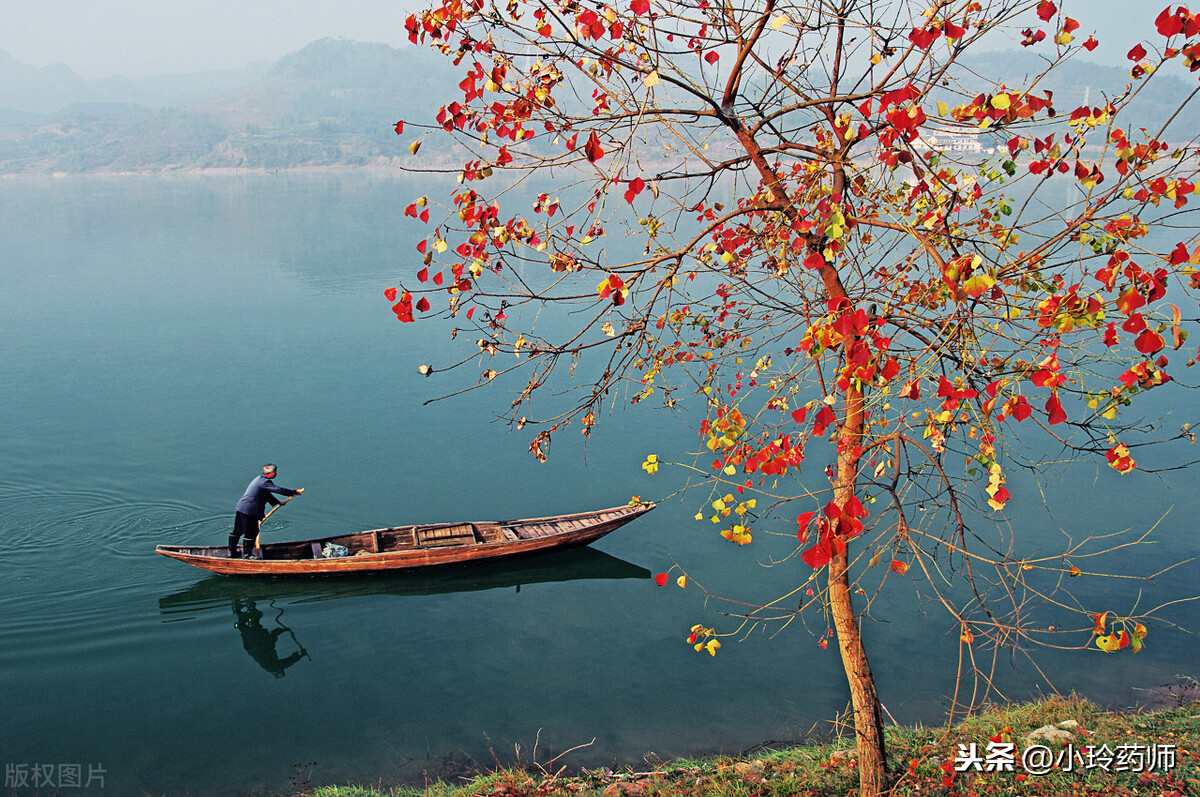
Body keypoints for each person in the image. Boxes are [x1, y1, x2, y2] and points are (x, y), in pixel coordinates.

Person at [229, 464, 304, 558]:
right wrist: (294, 492)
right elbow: (278, 490)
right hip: (249, 510)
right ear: (269, 473)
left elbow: (266, 494)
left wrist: (278, 502)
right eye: (275, 472)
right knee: (251, 532)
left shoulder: (259, 479)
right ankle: (247, 555)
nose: (276, 473)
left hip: (242, 508)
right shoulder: (264, 482)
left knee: (238, 530)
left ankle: (233, 552)